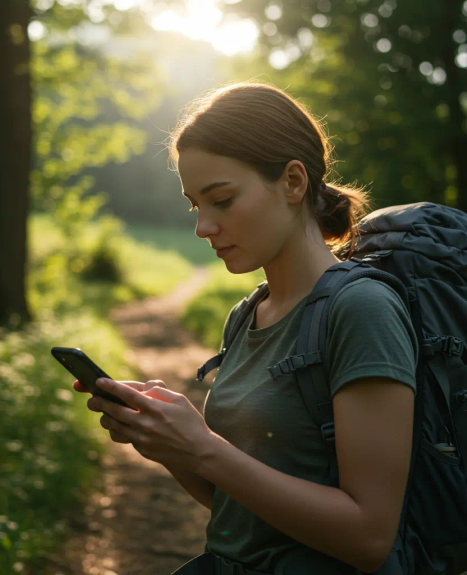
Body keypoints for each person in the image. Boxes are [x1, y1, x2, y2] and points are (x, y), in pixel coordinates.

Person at [164, 81, 418, 574]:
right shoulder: (246, 315)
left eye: (222, 200)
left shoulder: (362, 309)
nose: (203, 228)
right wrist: (175, 447)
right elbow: (244, 510)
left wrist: (204, 450)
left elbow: (370, 537)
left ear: (294, 182)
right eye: (196, 205)